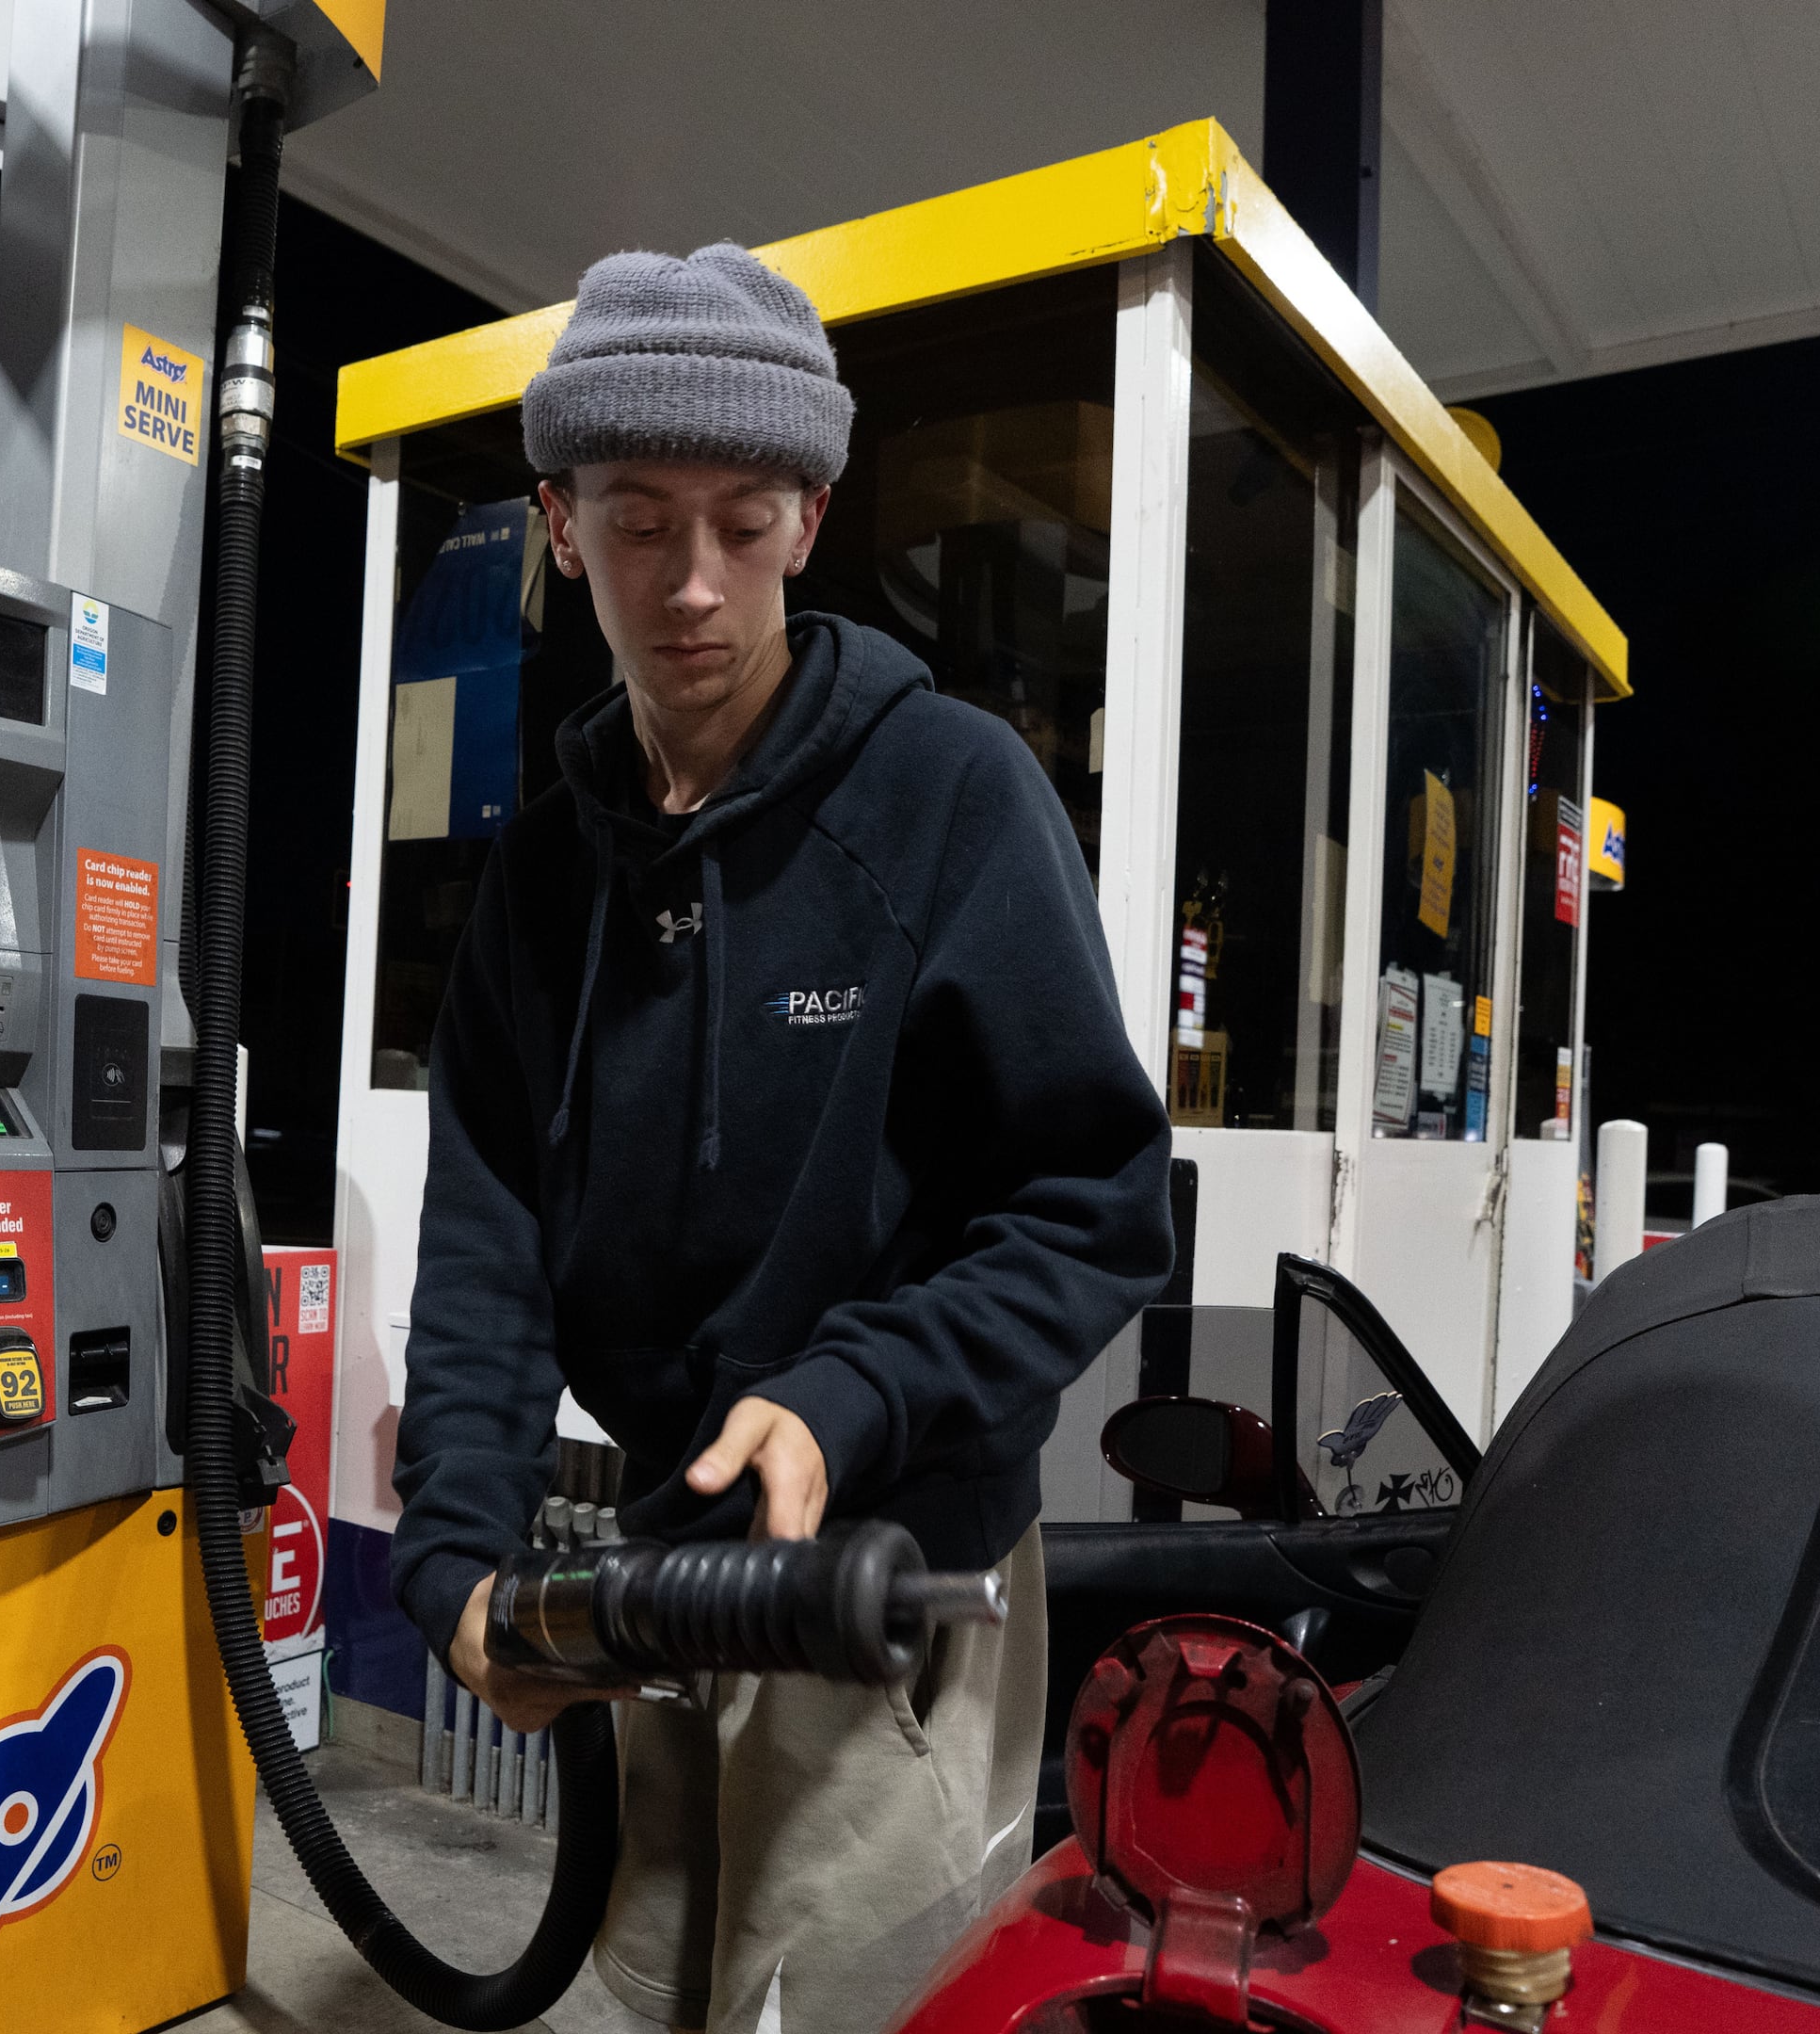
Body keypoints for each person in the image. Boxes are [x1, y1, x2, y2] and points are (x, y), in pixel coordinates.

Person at [387, 242, 1176, 2034]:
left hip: (882, 1570)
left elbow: (1095, 1203)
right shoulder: (545, 869)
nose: (693, 585)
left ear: (814, 519)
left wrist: (847, 1393)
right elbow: (491, 1233)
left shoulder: (950, 794)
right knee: (659, 1983)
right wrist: (454, 1555)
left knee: (847, 2000)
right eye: (640, 518)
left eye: (744, 521)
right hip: (654, 1556)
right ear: (559, 522)